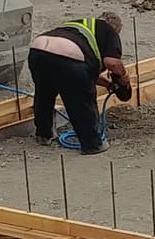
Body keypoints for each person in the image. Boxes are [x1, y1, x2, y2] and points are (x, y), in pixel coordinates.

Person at [27, 10, 132, 153]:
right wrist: (124, 76)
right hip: (68, 56)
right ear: (116, 28)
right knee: (81, 101)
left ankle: (44, 135)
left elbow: (84, 74)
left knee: (44, 93)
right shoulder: (108, 30)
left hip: (38, 50)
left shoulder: (79, 27)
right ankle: (92, 144)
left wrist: (107, 84)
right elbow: (112, 63)